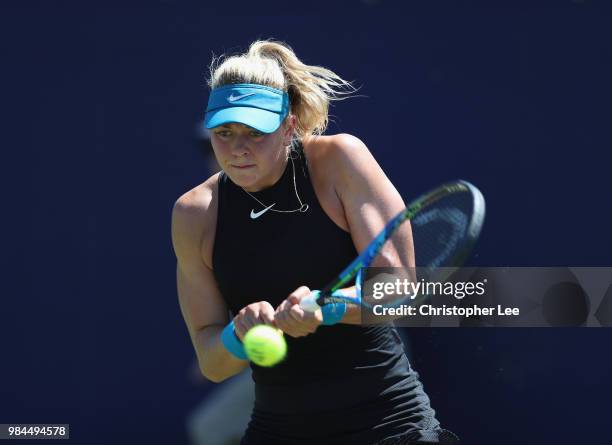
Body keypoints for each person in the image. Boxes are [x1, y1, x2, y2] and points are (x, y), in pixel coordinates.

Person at [171, 39, 459, 445]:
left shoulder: (339, 160)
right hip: (280, 429)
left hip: (389, 423)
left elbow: (398, 286)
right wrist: (239, 333)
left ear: (288, 125)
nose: (237, 149)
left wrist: (328, 307)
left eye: (256, 131)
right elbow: (212, 361)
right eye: (224, 132)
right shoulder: (193, 214)